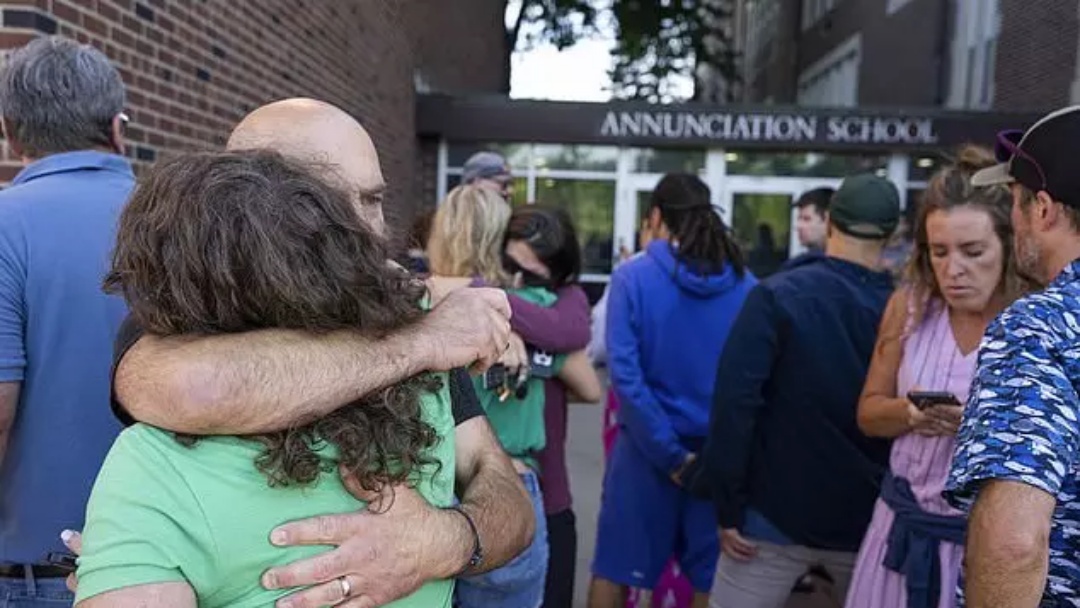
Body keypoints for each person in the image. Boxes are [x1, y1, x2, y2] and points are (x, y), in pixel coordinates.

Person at [99, 99, 532, 608]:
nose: (372, 228)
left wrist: (448, 540)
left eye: (375, 199)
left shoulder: (411, 318)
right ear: (263, 206)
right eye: (344, 202)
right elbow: (197, 387)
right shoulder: (176, 342)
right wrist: (423, 341)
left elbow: (507, 491)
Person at [845, 146, 1028, 608]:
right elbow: (868, 413)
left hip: (981, 550)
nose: (953, 269)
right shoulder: (910, 307)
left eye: (972, 251)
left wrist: (977, 426)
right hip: (897, 534)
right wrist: (910, 413)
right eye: (938, 251)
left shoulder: (1032, 324)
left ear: (1008, 246)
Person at [705, 173, 900, 608]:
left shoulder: (776, 296)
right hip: (866, 518)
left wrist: (728, 506)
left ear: (829, 222)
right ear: (892, 233)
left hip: (771, 516)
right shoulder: (907, 310)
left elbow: (735, 404)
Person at [0, 37, 132, 607]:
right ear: (117, 128)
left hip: (39, 579)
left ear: (9, 131)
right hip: (177, 570)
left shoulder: (7, 225)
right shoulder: (186, 224)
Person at [426, 184, 600, 608]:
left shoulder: (546, 304)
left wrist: (488, 300)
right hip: (506, 491)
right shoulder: (435, 298)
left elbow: (577, 352)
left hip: (469, 494)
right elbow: (587, 383)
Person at [589, 173, 756, 608]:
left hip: (645, 452)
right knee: (709, 577)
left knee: (615, 569)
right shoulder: (747, 286)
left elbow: (625, 376)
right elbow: (751, 382)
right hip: (715, 460)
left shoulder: (633, 277)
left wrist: (670, 456)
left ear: (658, 217)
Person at [945, 106, 1080, 607]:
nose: (1014, 222)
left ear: (1042, 209)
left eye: (1015, 202)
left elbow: (1013, 541)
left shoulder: (1039, 327)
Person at [503, 204, 600, 608]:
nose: (520, 279)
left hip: (550, 493)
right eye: (510, 264)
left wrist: (490, 297)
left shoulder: (566, 298)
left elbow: (568, 332)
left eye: (534, 274)